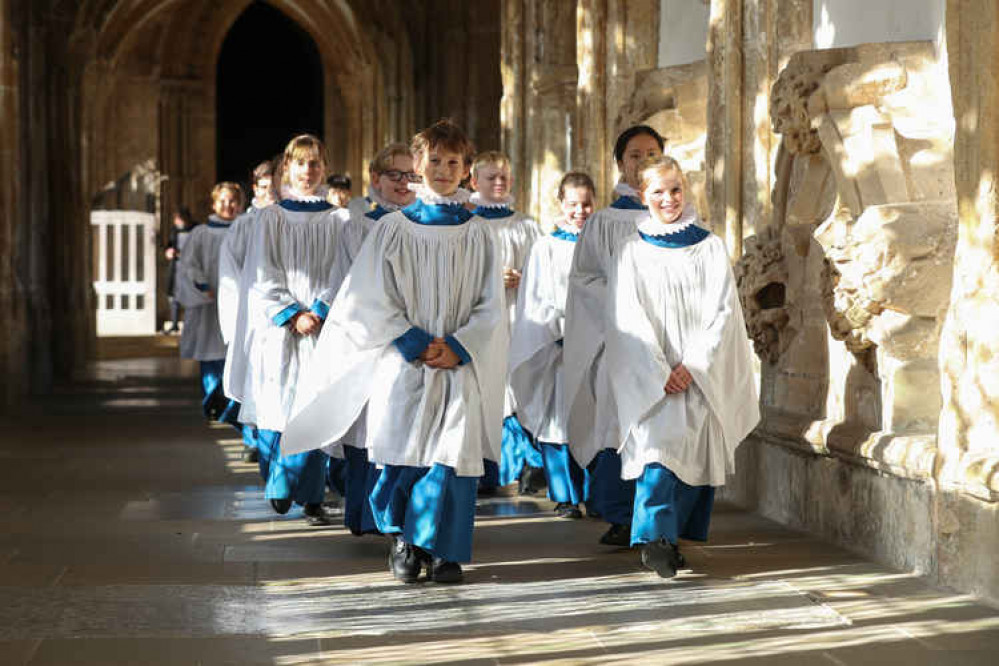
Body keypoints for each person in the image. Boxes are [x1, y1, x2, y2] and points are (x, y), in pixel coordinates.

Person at [283, 119, 507, 584]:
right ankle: (406, 536)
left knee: (452, 458)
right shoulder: (393, 229)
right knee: (404, 454)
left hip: (457, 364)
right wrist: (415, 341)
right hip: (404, 359)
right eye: (433, 161)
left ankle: (445, 550)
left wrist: (461, 346)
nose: (442, 170)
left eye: (453, 162)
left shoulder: (480, 232)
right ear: (416, 167)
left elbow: (491, 301)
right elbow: (369, 296)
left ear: (466, 170)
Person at [605, 156, 759, 577]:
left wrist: (692, 364)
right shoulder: (631, 250)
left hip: (696, 372)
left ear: (686, 191)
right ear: (642, 197)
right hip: (652, 376)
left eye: (675, 190)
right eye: (657, 191)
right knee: (657, 454)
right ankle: (654, 538)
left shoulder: (708, 246)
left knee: (693, 453)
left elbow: (723, 312)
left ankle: (671, 540)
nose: (667, 199)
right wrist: (658, 370)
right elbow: (626, 316)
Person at [228, 134, 359, 525]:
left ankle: (313, 495)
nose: (308, 171)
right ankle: (279, 481)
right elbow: (261, 273)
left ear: (324, 167)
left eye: (316, 163)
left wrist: (319, 309)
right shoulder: (270, 218)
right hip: (279, 329)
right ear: (288, 167)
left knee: (315, 406)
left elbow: (343, 272)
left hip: (322, 327)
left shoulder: (339, 221)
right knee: (277, 403)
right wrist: (291, 313)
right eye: (301, 163)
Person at [563, 125, 665, 546]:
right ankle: (623, 515)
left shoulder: (673, 218)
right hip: (616, 341)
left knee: (659, 429)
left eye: (652, 154)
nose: (642, 162)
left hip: (664, 344)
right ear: (621, 162)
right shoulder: (603, 222)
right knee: (616, 425)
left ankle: (658, 519)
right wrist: (625, 306)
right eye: (634, 155)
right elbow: (584, 279)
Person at [509, 172, 596, 519]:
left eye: (586, 203)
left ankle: (595, 493)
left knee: (593, 419)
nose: (580, 210)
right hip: (558, 346)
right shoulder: (545, 248)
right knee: (559, 419)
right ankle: (565, 495)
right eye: (573, 203)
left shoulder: (603, 243)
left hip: (596, 348)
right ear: (561, 203)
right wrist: (559, 333)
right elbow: (536, 298)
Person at [468, 150, 545, 497]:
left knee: (518, 386)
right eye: (490, 177)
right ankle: (486, 467)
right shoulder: (465, 225)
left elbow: (546, 274)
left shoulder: (526, 226)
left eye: (504, 177)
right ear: (474, 182)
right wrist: (487, 280)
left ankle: (527, 463)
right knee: (484, 391)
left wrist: (524, 277)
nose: (498, 183)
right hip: (481, 320)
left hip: (518, 316)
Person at [219, 159, 277, 463]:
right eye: (265, 188)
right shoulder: (245, 225)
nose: (271, 193)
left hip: (284, 320)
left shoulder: (288, 220)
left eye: (275, 186)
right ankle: (253, 438)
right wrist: (232, 323)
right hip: (251, 318)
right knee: (252, 379)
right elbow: (229, 276)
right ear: (256, 189)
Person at [177, 183, 243, 423]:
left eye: (233, 200)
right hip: (209, 304)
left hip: (237, 304)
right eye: (223, 201)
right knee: (211, 356)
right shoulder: (201, 233)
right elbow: (188, 264)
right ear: (214, 204)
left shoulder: (246, 230)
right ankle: (214, 404)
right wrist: (203, 285)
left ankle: (231, 407)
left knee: (233, 355)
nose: (228, 205)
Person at [163, 207, 197, 334]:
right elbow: (169, 246)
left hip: (191, 267)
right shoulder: (174, 231)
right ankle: (174, 324)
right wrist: (169, 252)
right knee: (174, 297)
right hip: (177, 267)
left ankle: (191, 325)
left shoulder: (196, 230)